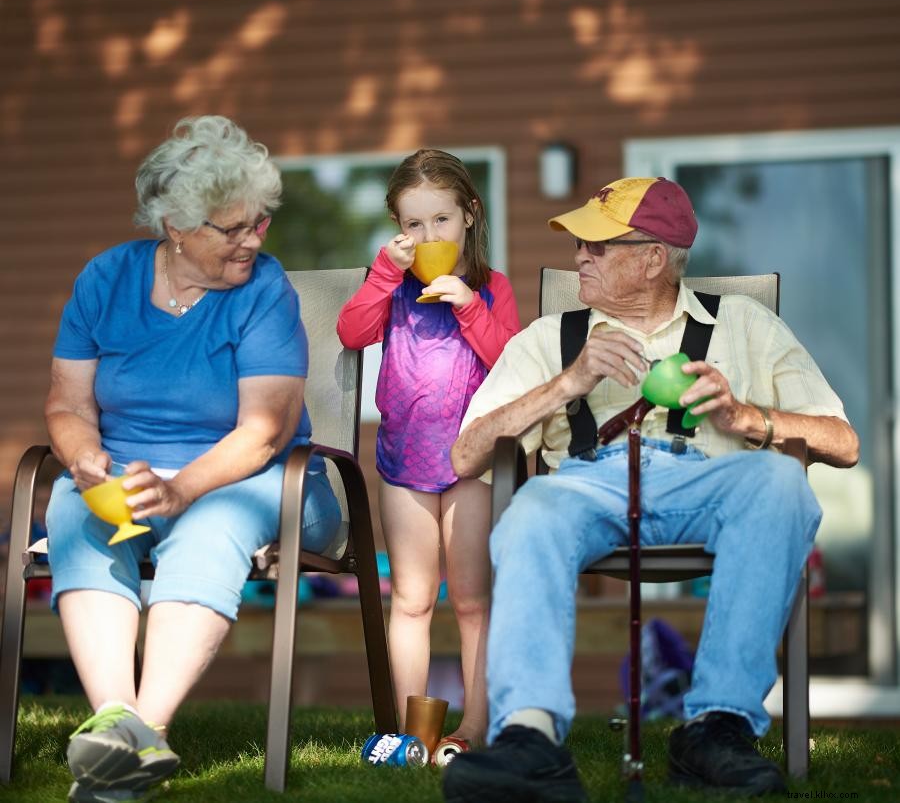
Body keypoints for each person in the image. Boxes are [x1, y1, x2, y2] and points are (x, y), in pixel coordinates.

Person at [442, 177, 859, 802]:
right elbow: (467, 454)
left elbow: (843, 442)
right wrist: (566, 384)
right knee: (529, 510)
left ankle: (715, 729)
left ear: (653, 258)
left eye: (597, 246)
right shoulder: (550, 338)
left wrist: (750, 418)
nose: (578, 256)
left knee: (780, 482)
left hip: (714, 481)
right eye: (580, 245)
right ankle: (529, 738)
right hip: (588, 484)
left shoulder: (745, 325)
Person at [44, 115, 342, 803]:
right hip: (132, 474)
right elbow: (65, 405)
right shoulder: (106, 279)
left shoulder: (264, 291)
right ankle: (116, 724)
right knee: (73, 509)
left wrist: (182, 491)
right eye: (230, 228)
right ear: (175, 226)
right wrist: (86, 457)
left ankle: (140, 735)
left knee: (213, 524)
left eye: (260, 222)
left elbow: (265, 432)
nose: (253, 240)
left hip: (249, 473)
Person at [337, 149, 521, 750]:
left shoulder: (493, 289)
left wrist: (469, 308)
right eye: (413, 224)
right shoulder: (389, 287)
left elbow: (511, 363)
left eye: (440, 220)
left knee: (471, 601)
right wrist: (385, 274)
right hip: (403, 462)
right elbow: (351, 332)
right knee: (412, 601)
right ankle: (410, 733)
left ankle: (474, 726)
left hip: (473, 465)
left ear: (470, 214)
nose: (427, 235)